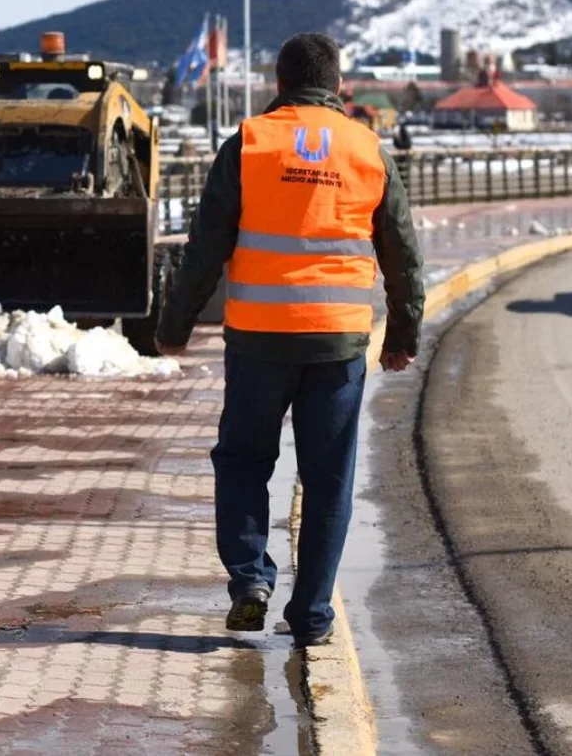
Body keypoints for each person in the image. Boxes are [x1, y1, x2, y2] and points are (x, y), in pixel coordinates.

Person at [155, 33, 424, 645]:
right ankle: (311, 616)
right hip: (337, 344)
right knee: (328, 477)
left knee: (245, 460)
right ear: (337, 85)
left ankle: (251, 578)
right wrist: (402, 333)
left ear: (279, 83)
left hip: (257, 340)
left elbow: (204, 250)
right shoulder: (367, 149)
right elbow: (404, 255)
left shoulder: (250, 143)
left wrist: (173, 327)